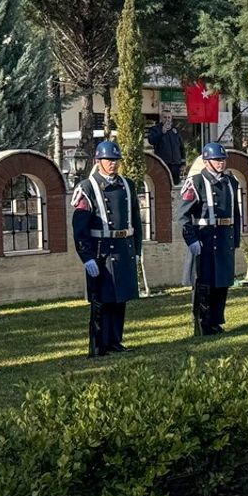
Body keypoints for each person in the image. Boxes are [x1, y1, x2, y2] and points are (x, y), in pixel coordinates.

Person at [72, 140, 142, 357]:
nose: (112, 164)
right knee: (101, 301)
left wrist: (137, 250)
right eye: (108, 160)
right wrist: (87, 256)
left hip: (123, 248)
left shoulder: (127, 185)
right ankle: (98, 346)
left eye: (115, 160)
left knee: (119, 298)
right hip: (101, 251)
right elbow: (79, 227)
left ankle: (115, 341)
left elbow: (135, 220)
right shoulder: (87, 187)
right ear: (98, 161)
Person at [179, 142, 242, 335]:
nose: (221, 163)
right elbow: (183, 215)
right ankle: (202, 322)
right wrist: (191, 239)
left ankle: (216, 320)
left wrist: (235, 239)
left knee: (222, 282)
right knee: (204, 283)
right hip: (205, 238)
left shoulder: (231, 182)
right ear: (207, 162)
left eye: (223, 160)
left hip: (224, 237)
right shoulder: (196, 182)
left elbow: (236, 213)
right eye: (217, 160)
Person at [147, 112, 186, 182]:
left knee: (175, 184)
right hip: (163, 163)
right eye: (165, 117)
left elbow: (181, 147)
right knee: (164, 183)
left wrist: (183, 162)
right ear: (161, 118)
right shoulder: (155, 129)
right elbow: (151, 141)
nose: (167, 119)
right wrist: (162, 132)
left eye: (169, 117)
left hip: (176, 164)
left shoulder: (175, 130)